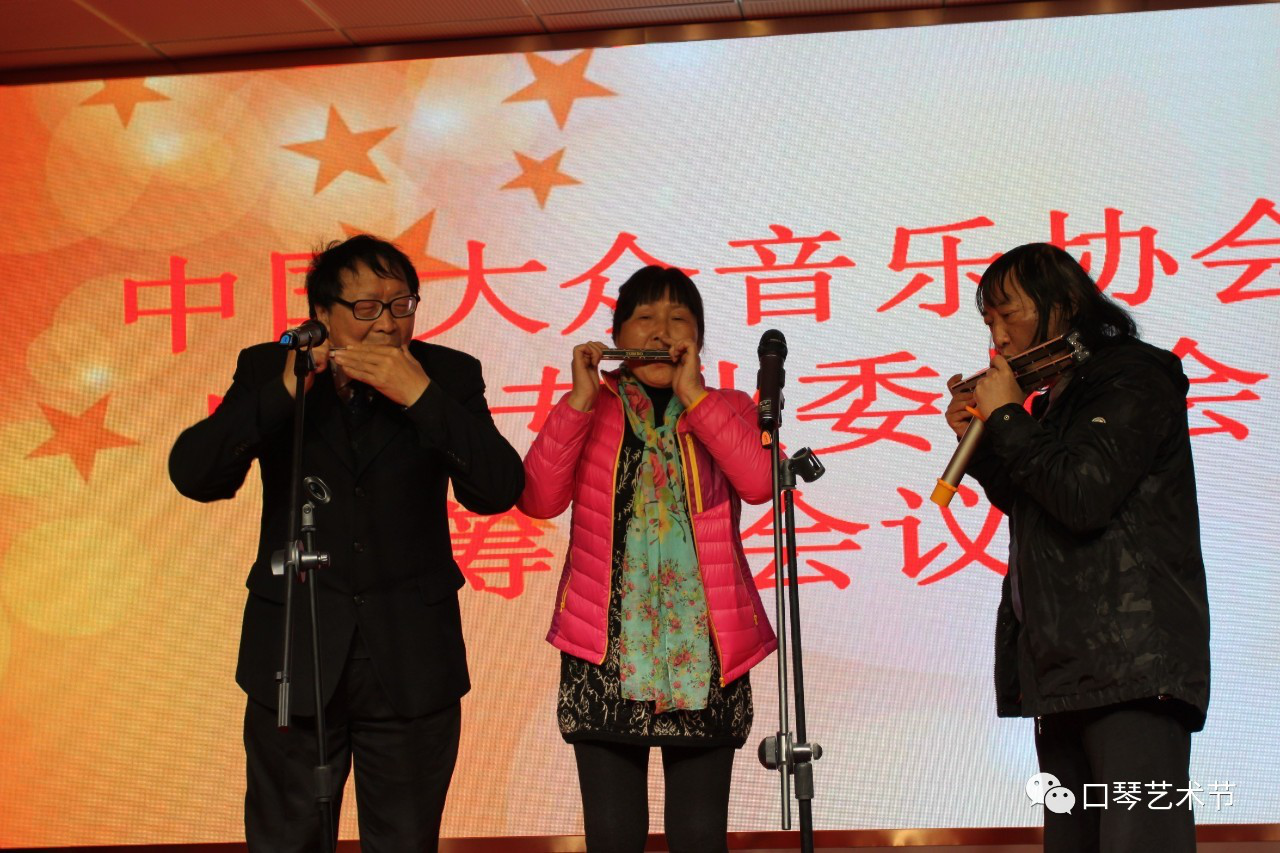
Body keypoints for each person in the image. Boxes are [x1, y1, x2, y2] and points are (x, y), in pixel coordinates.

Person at [168, 234, 524, 852]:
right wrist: (286, 392)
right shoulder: (270, 369)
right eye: (366, 308)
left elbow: (497, 489)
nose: (387, 323)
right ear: (322, 314)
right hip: (294, 653)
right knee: (288, 841)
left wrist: (421, 397)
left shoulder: (447, 375)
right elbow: (196, 474)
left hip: (411, 661)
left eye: (401, 305)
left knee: (405, 841)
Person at [944, 243, 1210, 853]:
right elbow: (1041, 503)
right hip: (1064, 668)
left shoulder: (1133, 375)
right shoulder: (1055, 399)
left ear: (1063, 304)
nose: (998, 337)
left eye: (1009, 314)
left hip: (1132, 667)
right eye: (988, 321)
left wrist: (1009, 417)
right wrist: (984, 443)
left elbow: (1083, 494)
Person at [519, 266, 777, 852]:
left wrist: (694, 397)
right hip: (604, 650)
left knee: (699, 837)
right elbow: (538, 498)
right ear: (616, 335)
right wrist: (579, 400)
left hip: (706, 655)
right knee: (613, 837)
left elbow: (761, 482)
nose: (662, 332)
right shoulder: (592, 406)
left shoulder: (729, 405)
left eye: (679, 319)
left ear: (699, 338)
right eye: (645, 318)